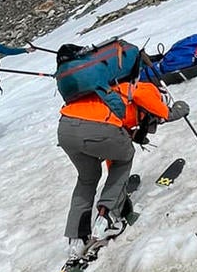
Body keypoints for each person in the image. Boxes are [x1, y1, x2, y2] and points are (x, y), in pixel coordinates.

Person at [57, 79, 189, 259]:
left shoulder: (114, 94)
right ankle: (108, 216)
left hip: (66, 128)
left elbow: (113, 155)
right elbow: (141, 94)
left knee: (88, 178)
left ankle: (76, 239)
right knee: (126, 155)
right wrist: (167, 113)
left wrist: (117, 186)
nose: (155, 123)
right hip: (97, 126)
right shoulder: (149, 89)